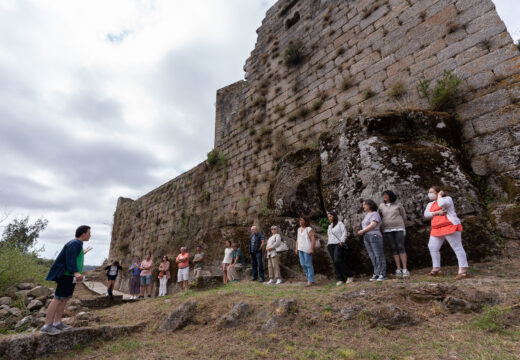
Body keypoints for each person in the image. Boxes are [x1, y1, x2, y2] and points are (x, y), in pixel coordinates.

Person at [41, 225, 93, 335]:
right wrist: (76, 272)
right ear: (83, 234)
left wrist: (82, 253)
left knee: (64, 299)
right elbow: (70, 259)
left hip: (69, 276)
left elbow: (72, 256)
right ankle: (47, 325)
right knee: (58, 299)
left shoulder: (77, 244)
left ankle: (57, 323)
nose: (90, 235)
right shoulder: (74, 243)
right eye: (89, 233)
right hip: (66, 275)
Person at [424, 186, 469, 279]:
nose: (430, 194)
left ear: (438, 192)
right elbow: (426, 214)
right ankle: (436, 269)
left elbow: (441, 204)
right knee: (432, 247)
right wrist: (437, 213)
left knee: (457, 247)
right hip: (436, 228)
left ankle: (463, 271)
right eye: (429, 192)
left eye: (432, 192)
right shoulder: (430, 204)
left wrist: (440, 195)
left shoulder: (447, 199)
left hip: (450, 225)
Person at [378, 190, 409, 278]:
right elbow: (378, 216)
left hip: (399, 228)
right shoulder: (381, 206)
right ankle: (398, 268)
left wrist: (403, 226)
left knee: (400, 246)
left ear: (390, 196)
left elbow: (404, 216)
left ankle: (405, 269)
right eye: (383, 195)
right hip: (387, 229)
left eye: (386, 195)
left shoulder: (398, 204)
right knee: (393, 247)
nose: (384, 197)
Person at [358, 200, 387, 282]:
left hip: (374, 236)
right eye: (363, 204)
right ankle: (376, 273)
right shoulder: (367, 215)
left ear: (370, 205)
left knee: (378, 255)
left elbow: (373, 224)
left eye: (365, 204)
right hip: (366, 237)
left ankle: (383, 274)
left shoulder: (375, 213)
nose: (363, 206)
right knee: (372, 256)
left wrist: (363, 231)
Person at [326, 211, 354, 286]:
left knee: (338, 260)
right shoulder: (330, 226)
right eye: (328, 217)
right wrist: (328, 244)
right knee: (335, 263)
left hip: (338, 244)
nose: (329, 218)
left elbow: (344, 232)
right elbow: (329, 236)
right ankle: (340, 279)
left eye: (330, 216)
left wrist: (342, 241)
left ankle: (350, 275)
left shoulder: (340, 224)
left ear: (334, 216)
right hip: (330, 245)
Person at [295, 215, 315, 287]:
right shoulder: (298, 229)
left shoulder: (309, 229)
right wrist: (296, 248)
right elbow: (297, 239)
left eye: (302, 220)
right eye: (300, 220)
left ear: (306, 221)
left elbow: (313, 239)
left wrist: (311, 248)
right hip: (300, 249)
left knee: (308, 265)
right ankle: (309, 278)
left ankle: (310, 280)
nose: (300, 221)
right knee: (303, 264)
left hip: (307, 249)